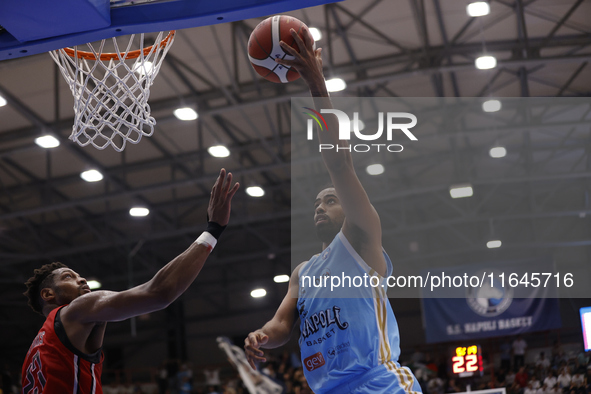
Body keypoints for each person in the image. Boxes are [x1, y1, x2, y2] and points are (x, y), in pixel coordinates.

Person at [244, 26, 422, 394]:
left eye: (330, 200)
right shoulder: (302, 273)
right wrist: (262, 336)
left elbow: (339, 163)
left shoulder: (361, 237)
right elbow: (281, 324)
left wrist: (316, 84)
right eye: (316, 203)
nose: (320, 207)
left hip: (379, 385)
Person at [21, 169, 239, 394]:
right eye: (69, 277)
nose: (82, 279)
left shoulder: (34, 352)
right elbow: (158, 293)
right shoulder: (74, 310)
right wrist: (213, 229)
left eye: (78, 275)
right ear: (48, 294)